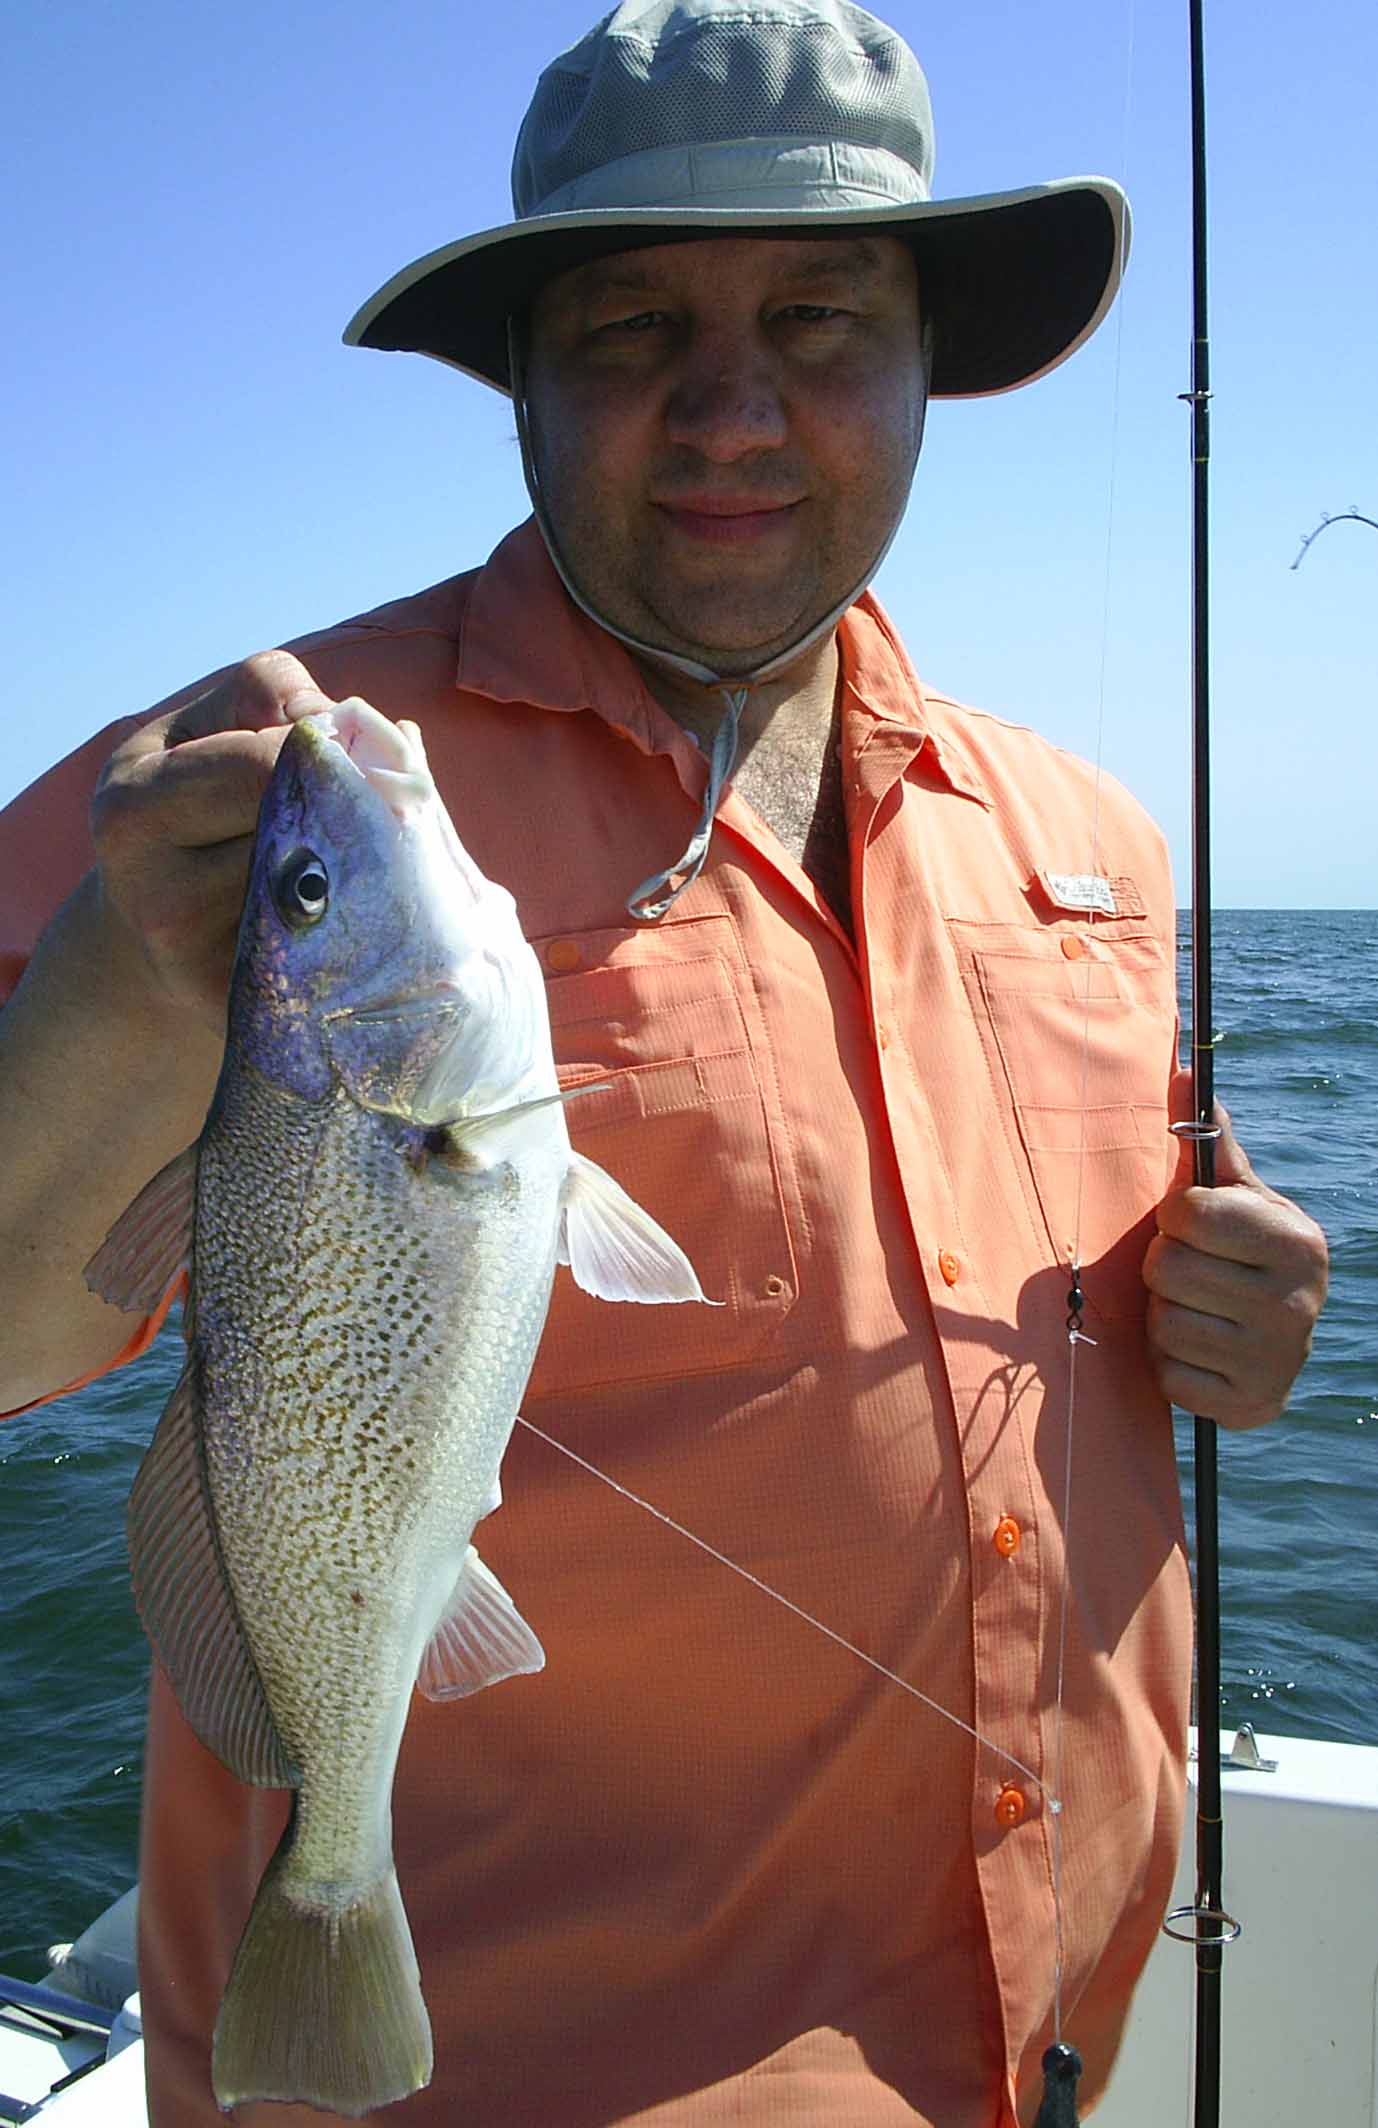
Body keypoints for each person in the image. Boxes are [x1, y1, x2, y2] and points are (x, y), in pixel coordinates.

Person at [0, 3, 1328, 2123]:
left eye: (819, 319)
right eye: (628, 332)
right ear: (519, 378)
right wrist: (108, 998)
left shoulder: (1086, 831)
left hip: (1048, 2030)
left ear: (925, 370)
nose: (730, 409)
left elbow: (1106, 1286)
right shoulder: (252, 792)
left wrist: (1224, 1318)